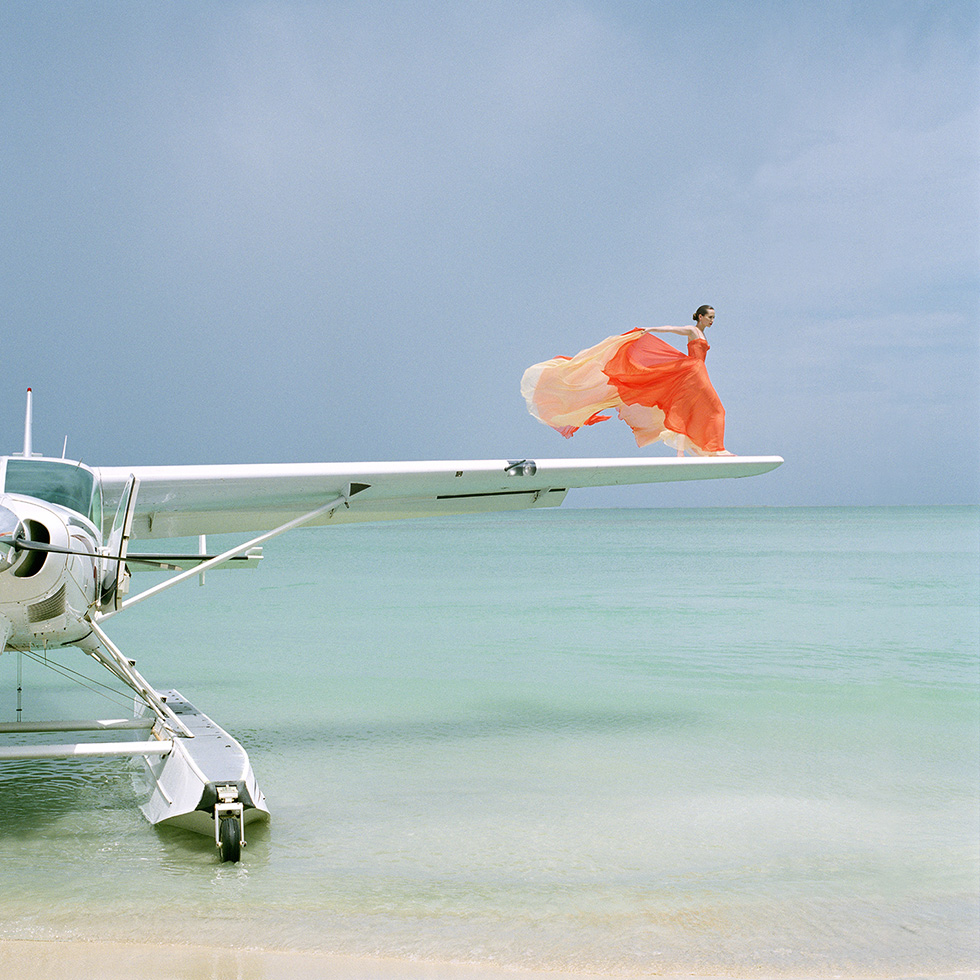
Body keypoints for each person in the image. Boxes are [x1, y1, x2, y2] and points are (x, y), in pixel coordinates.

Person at [520, 305, 732, 456]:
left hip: (696, 371)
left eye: (714, 317)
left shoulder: (701, 333)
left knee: (691, 408)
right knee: (715, 409)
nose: (712, 321)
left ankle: (698, 450)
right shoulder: (693, 330)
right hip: (693, 371)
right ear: (701, 317)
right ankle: (716, 449)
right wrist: (649, 329)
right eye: (710, 317)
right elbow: (670, 328)